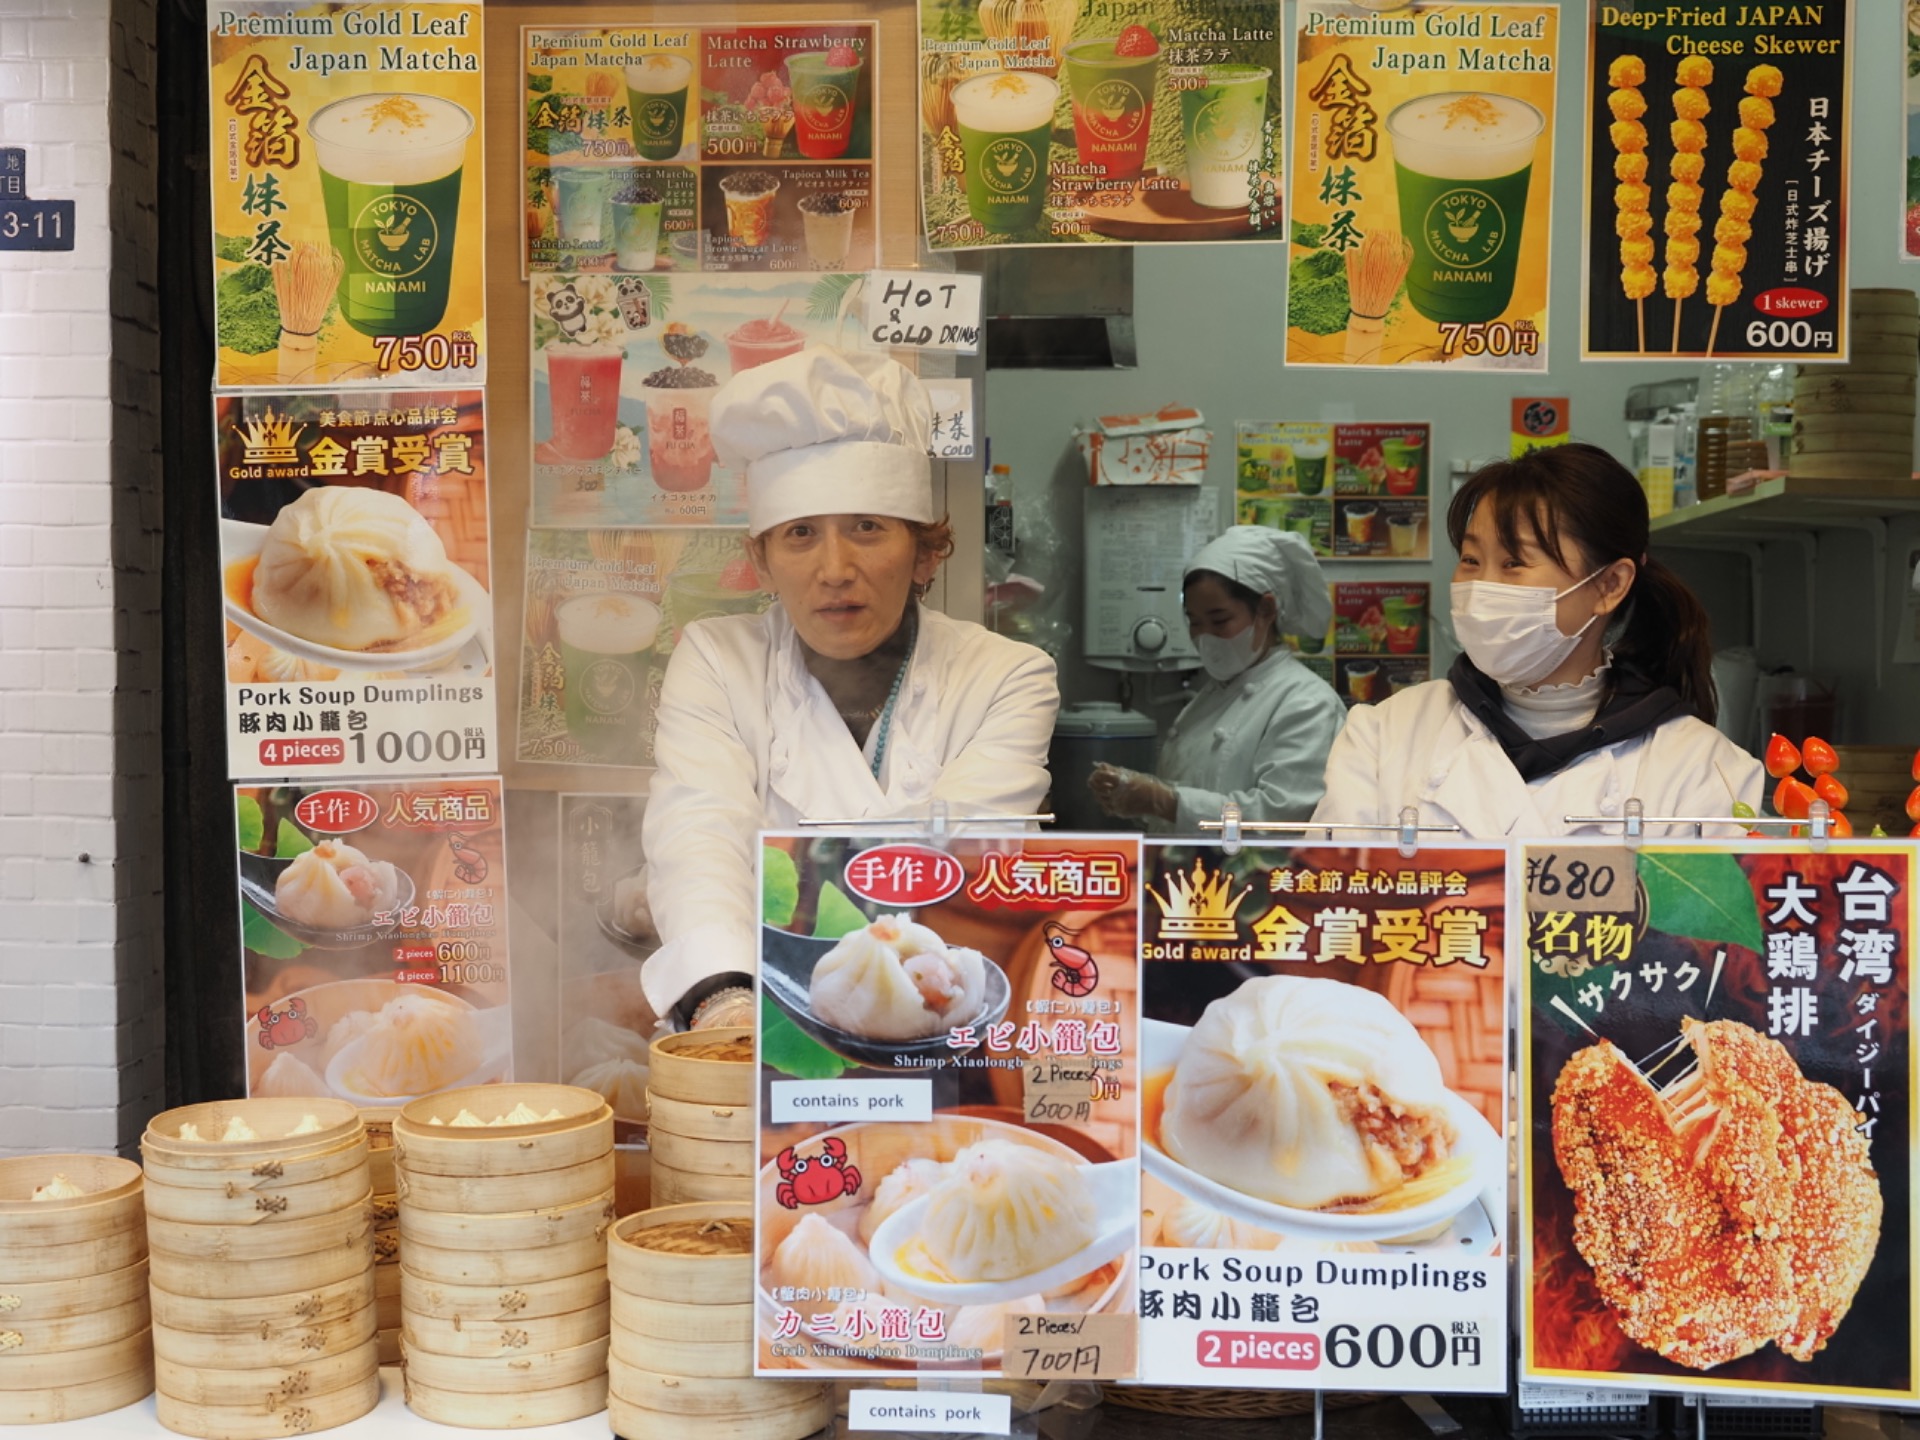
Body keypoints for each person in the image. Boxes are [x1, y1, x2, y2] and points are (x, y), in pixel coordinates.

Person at [642, 348, 1059, 1026]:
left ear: (924, 551)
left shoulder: (1005, 675)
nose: (835, 569)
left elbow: (964, 859)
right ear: (760, 561)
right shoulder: (719, 661)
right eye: (801, 534)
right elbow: (699, 829)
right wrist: (722, 996)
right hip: (754, 1008)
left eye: (867, 528)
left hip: (935, 1009)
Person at [1315, 443, 1764, 837]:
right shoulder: (1384, 735)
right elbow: (1330, 892)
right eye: (1470, 560)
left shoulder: (1703, 769)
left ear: (1609, 585)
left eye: (1513, 563)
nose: (1481, 587)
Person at [1087, 526, 1346, 831]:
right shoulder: (1211, 697)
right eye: (1195, 622)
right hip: (1193, 861)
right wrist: (1139, 797)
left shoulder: (1307, 702)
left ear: (1266, 609)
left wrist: (1166, 802)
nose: (1205, 637)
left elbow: (1283, 819)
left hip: (1254, 863)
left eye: (1219, 620)